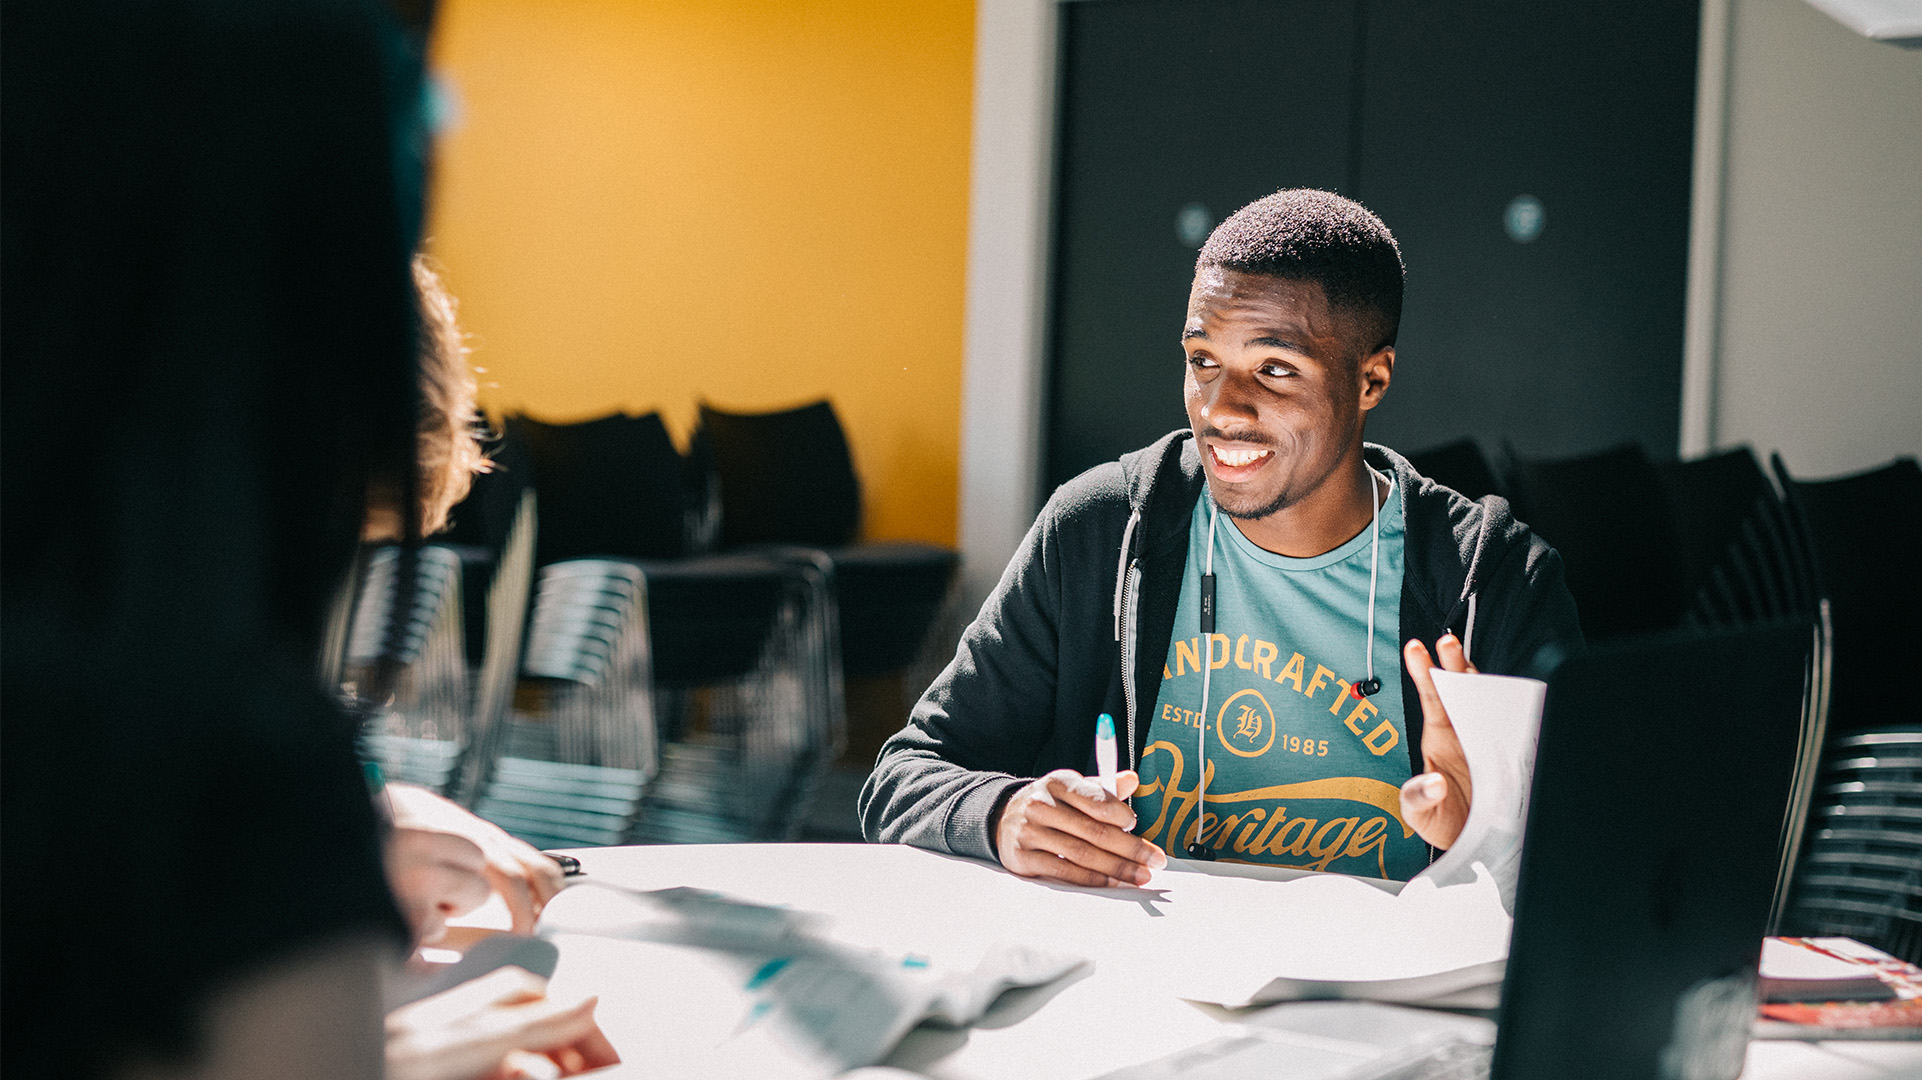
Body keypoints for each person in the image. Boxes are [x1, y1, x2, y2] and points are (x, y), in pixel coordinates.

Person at [860, 188, 1583, 889]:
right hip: (1147, 986)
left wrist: (1484, 840)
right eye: (1203, 360)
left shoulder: (1493, 581)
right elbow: (906, 775)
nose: (1220, 407)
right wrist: (1001, 815)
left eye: (1275, 369)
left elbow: (1601, 861)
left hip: (1375, 1005)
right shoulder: (1102, 530)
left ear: (1371, 380)